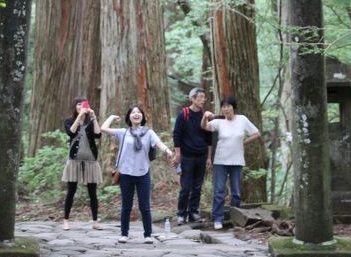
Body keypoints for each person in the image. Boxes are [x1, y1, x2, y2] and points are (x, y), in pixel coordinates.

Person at [101, 104, 173, 244]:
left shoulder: (149, 133)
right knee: (126, 206)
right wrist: (110, 117)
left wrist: (168, 151)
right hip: (126, 174)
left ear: (143, 117)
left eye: (139, 112)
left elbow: (159, 143)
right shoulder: (123, 132)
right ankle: (124, 234)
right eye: (133, 112)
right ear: (129, 117)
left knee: (144, 206)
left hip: (143, 173)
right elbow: (103, 129)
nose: (136, 114)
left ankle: (147, 235)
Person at [201, 96, 261, 230]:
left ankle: (236, 218)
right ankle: (218, 218)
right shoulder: (219, 122)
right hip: (221, 161)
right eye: (224, 106)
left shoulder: (242, 119)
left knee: (236, 192)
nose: (226, 109)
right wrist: (205, 116)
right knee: (219, 190)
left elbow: (256, 133)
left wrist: (244, 142)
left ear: (233, 107)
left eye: (228, 106)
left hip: (237, 160)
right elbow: (204, 127)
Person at [61, 96, 103, 231]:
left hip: (90, 161)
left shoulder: (90, 122)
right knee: (71, 191)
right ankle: (66, 220)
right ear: (75, 107)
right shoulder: (69, 121)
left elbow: (98, 134)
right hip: (74, 161)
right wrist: (79, 118)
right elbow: (71, 132)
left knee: (92, 193)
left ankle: (95, 221)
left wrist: (94, 117)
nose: (81, 106)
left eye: (83, 104)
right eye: (78, 104)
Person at [172, 87, 212, 225]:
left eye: (204, 97)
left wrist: (208, 157)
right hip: (187, 156)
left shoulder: (204, 116)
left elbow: (209, 138)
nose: (203, 100)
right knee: (186, 186)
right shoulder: (184, 114)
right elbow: (176, 134)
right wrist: (178, 154)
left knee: (197, 186)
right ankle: (181, 214)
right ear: (193, 98)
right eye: (200, 97)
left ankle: (193, 212)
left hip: (201, 156)